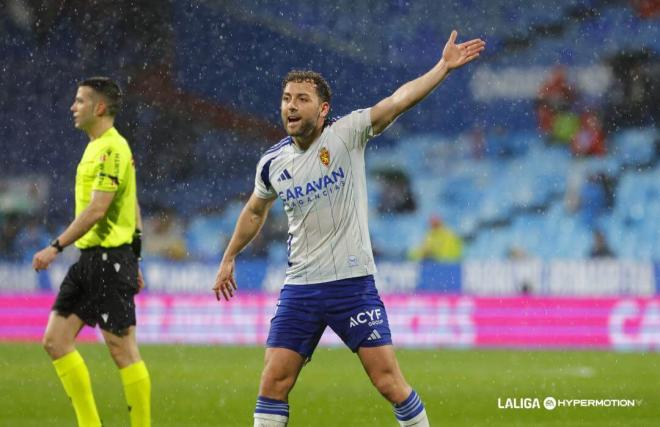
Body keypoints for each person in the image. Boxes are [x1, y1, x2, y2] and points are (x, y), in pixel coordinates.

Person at [213, 30, 485, 427]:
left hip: (351, 285)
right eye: (286, 98)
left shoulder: (347, 133)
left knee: (389, 382)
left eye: (302, 99)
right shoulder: (272, 163)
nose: (291, 106)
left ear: (323, 110)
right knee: (273, 382)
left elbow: (398, 101)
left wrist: (443, 67)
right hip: (300, 287)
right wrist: (228, 257)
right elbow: (255, 210)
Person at [32, 77, 151, 427]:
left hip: (110, 260)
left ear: (99, 107)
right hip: (90, 261)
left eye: (80, 101)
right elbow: (134, 205)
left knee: (122, 349)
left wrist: (55, 247)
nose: (73, 107)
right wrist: (138, 256)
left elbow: (99, 210)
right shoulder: (95, 146)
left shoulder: (113, 148)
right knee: (55, 341)